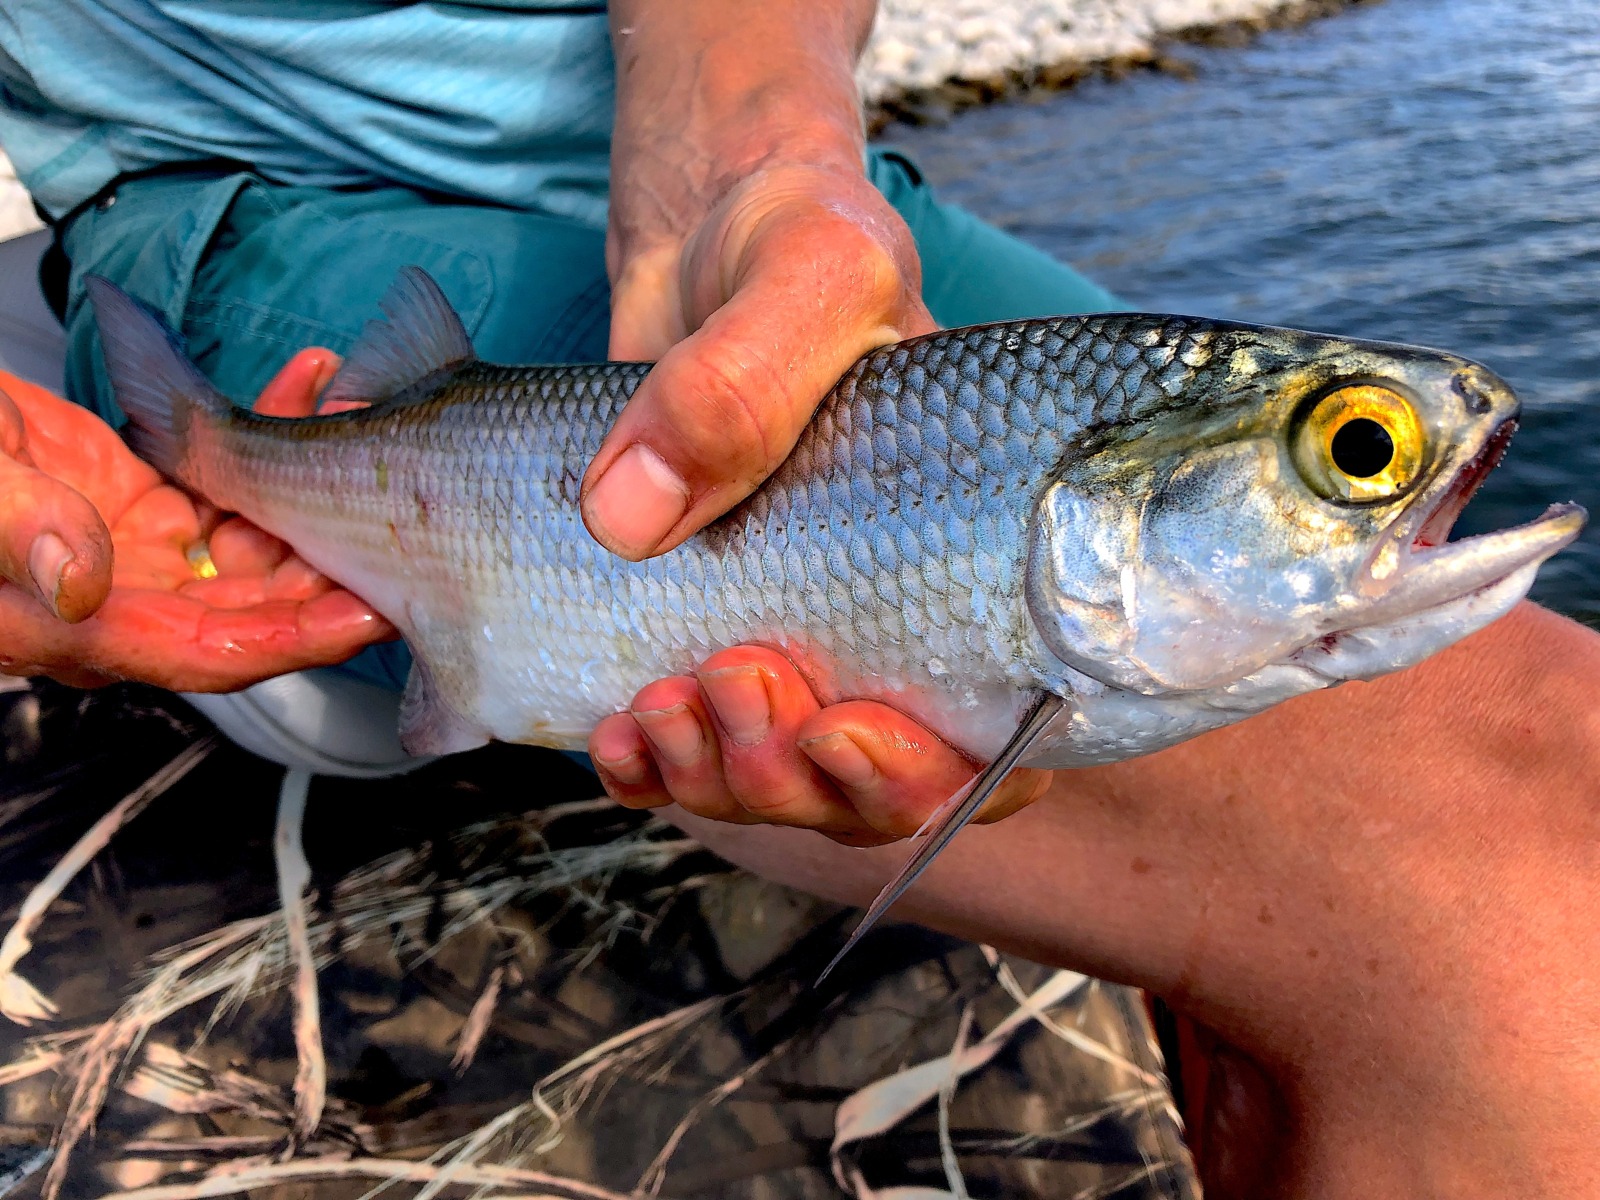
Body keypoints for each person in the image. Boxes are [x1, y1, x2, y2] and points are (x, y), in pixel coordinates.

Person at [1, 2, 1596, 1195]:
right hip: (287, 187)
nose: (1394, 479)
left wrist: (752, 169)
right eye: (1358, 453)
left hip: (801, 208)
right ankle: (240, 459)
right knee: (1519, 890)